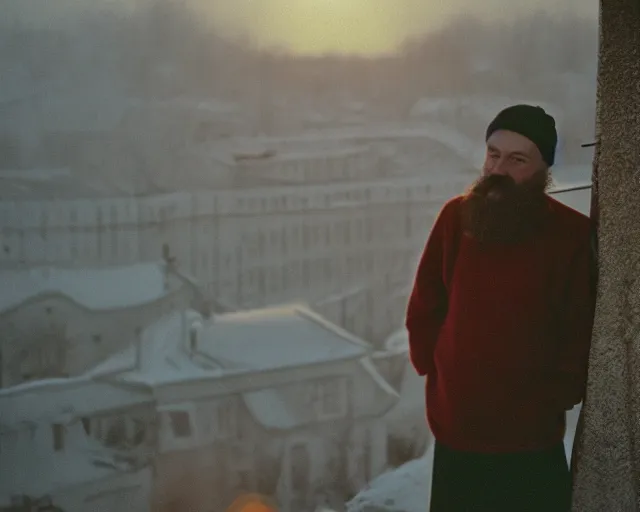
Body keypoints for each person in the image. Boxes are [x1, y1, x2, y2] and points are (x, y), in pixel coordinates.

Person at [406, 104, 596, 512]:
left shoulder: (572, 235)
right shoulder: (456, 217)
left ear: (544, 167)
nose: (498, 168)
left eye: (517, 159)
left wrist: (556, 394)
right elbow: (426, 302)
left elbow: (578, 329)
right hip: (457, 426)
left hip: (529, 435)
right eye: (493, 153)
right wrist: (435, 367)